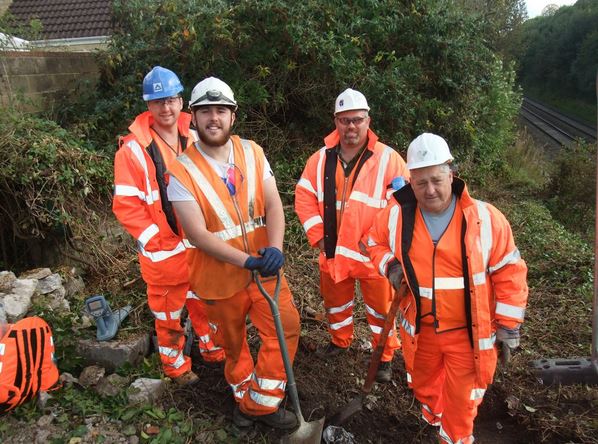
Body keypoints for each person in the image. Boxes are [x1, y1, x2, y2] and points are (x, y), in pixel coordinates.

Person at [367, 133, 528, 443]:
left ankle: (453, 436)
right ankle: (439, 425)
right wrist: (391, 266)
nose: (430, 190)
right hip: (421, 333)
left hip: (468, 337)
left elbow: (510, 271)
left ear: (451, 175)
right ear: (410, 181)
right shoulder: (396, 216)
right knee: (425, 389)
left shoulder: (485, 219)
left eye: (437, 180)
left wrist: (509, 327)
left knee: (461, 405)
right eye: (421, 182)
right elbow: (372, 241)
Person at [167, 77, 300, 429]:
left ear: (233, 116)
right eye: (205, 111)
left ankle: (257, 406)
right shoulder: (180, 170)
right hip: (218, 277)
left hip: (265, 268)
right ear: (192, 118)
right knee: (234, 345)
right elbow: (196, 233)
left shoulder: (253, 152)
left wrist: (275, 247)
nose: (214, 118)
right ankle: (245, 396)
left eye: (221, 110)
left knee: (286, 328)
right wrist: (246, 261)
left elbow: (274, 204)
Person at [112, 66, 224, 386]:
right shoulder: (132, 150)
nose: (166, 108)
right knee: (168, 316)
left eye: (172, 99)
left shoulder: (197, 135)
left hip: (199, 245)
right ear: (148, 105)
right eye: (158, 101)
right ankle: (176, 367)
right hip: (163, 254)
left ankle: (213, 350)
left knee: (205, 303)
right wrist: (155, 239)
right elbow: (126, 205)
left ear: (181, 100)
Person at [294, 88, 409, 382]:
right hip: (333, 253)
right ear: (336, 121)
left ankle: (384, 354)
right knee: (336, 304)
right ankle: (339, 341)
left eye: (357, 120)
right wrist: (319, 238)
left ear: (368, 120)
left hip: (373, 257)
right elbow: (304, 198)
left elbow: (402, 207)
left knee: (381, 310)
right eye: (344, 120)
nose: (351, 127)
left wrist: (384, 247)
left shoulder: (389, 160)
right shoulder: (319, 160)